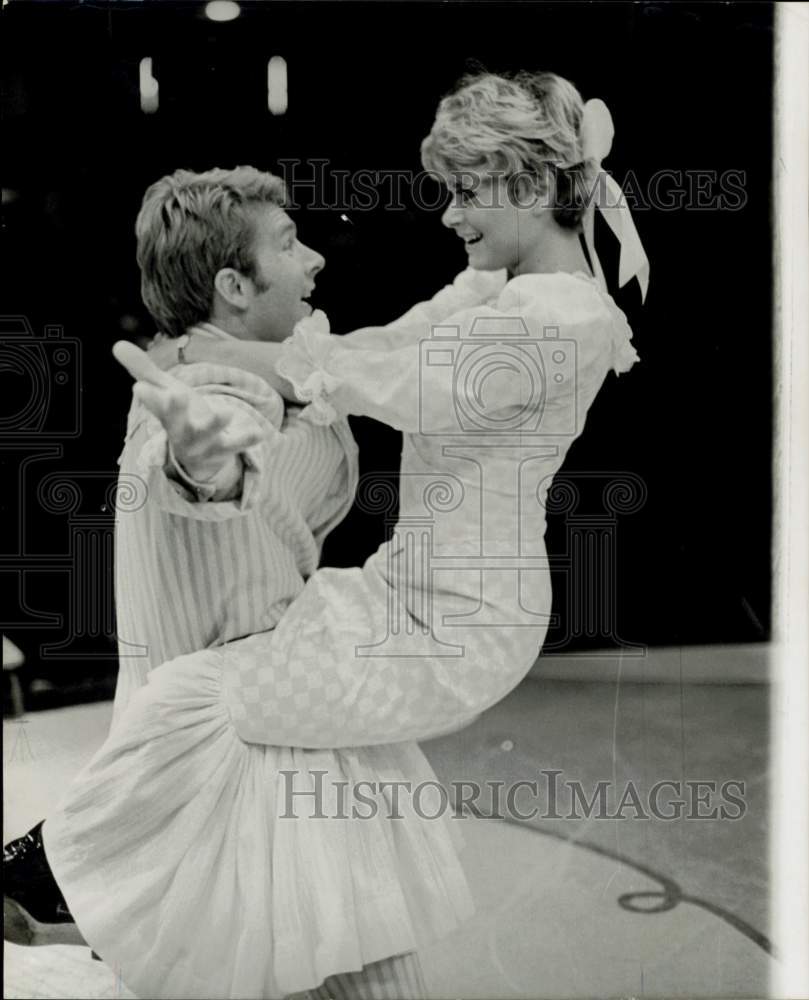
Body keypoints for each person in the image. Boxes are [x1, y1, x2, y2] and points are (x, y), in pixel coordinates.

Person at [5, 70, 648, 999]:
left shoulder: (569, 320)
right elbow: (382, 350)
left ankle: (58, 866)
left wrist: (233, 361)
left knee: (203, 697)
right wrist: (245, 370)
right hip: (397, 590)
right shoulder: (491, 292)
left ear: (529, 185)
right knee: (316, 783)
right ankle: (98, 888)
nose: (449, 215)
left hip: (463, 619)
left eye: (466, 191)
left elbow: (408, 385)